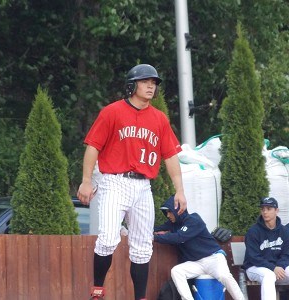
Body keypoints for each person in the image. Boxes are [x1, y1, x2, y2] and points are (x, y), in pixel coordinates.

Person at [77, 64, 187, 300]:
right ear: (132, 85)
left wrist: (180, 190)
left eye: (154, 83)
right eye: (145, 81)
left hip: (143, 186)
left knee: (142, 247)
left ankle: (140, 297)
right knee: (107, 238)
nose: (150, 86)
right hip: (114, 182)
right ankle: (97, 290)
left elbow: (170, 156)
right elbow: (93, 146)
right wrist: (86, 181)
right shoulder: (112, 112)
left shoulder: (159, 119)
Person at [154, 195, 245, 300]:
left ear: (178, 210)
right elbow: (156, 229)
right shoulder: (172, 224)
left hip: (213, 258)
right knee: (177, 271)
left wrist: (155, 238)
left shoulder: (194, 219)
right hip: (196, 263)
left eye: (169, 211)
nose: (168, 215)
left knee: (224, 276)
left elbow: (179, 237)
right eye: (166, 212)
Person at [243, 196, 289, 300]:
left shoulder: (285, 231)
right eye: (263, 209)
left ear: (276, 210)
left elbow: (287, 254)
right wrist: (273, 268)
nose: (265, 212)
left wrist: (280, 266)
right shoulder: (253, 231)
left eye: (269, 209)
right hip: (255, 268)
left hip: (278, 268)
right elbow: (254, 257)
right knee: (269, 276)